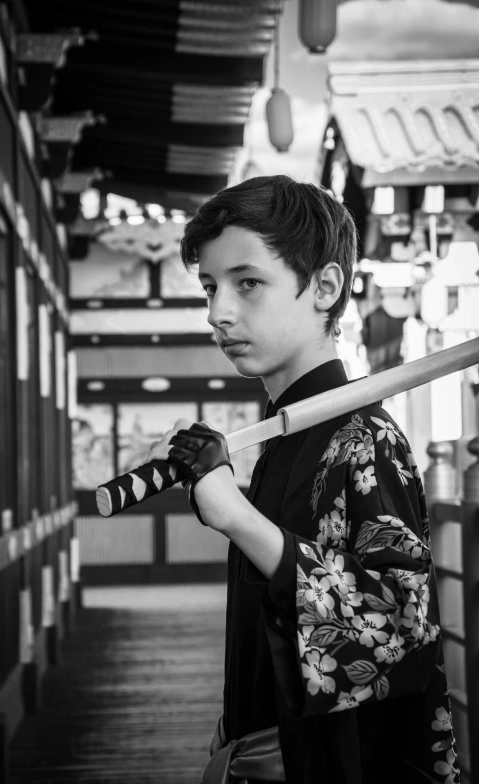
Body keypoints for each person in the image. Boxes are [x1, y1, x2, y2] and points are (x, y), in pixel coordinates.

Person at [146, 176, 460, 784]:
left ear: (325, 287)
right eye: (211, 287)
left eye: (247, 283)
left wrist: (237, 516)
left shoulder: (368, 438)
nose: (218, 312)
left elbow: (399, 628)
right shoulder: (281, 439)